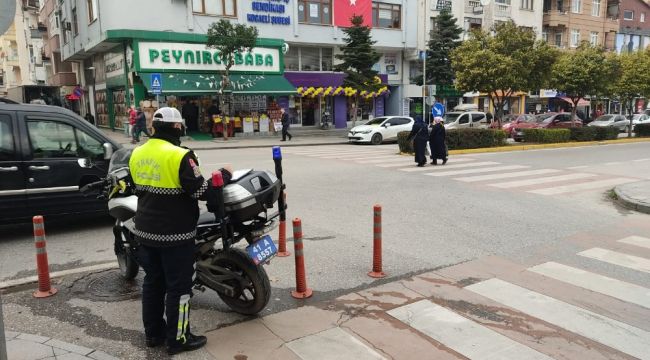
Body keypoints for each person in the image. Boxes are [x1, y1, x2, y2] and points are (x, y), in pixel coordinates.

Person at [129, 107, 232, 355]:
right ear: (177, 127)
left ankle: (153, 334)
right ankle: (179, 338)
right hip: (175, 235)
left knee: (153, 284)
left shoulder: (137, 153)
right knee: (179, 288)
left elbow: (136, 188)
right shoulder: (181, 156)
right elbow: (201, 192)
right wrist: (225, 176)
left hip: (145, 231)